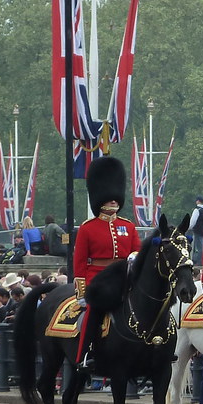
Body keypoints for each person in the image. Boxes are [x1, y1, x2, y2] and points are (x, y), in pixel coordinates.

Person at [73, 157, 141, 371]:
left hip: (124, 278)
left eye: (115, 198)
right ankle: (84, 354)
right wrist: (83, 293)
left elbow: (137, 251)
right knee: (94, 312)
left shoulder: (127, 226)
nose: (114, 201)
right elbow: (80, 262)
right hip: (98, 280)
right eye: (109, 198)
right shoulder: (88, 228)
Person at [187, 195, 203, 264]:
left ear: (198, 201)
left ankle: (199, 262)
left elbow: (193, 221)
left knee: (199, 247)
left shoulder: (197, 210)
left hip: (198, 231)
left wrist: (188, 228)